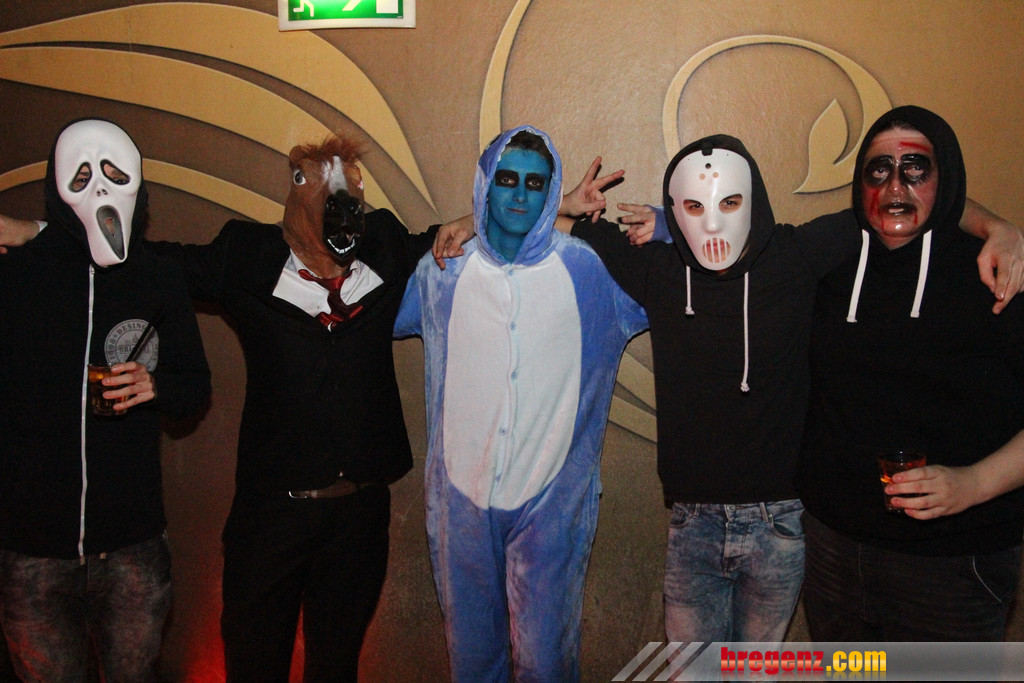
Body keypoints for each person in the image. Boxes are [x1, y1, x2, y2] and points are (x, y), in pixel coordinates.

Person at [395, 126, 647, 682]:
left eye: (536, 184)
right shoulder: (441, 270)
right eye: (506, 179)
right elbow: (366, 311)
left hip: (551, 508)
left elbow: (684, 280)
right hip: (461, 505)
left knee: (546, 664)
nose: (519, 194)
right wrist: (465, 223)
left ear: (550, 192)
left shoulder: (590, 270)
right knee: (472, 663)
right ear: (485, 184)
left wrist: (666, 222)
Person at [796, 105, 1024, 641]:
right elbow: (740, 244)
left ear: (946, 181)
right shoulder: (828, 262)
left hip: (953, 566)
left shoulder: (996, 273)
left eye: (916, 170)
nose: (895, 186)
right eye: (879, 170)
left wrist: (972, 484)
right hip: (831, 553)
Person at [0, 118, 211, 681]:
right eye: (82, 175)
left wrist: (157, 386)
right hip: (32, 550)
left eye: (115, 173)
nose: (99, 188)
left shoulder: (159, 279)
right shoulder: (16, 278)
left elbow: (195, 384)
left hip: (131, 546)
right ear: (57, 185)